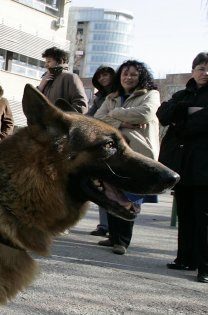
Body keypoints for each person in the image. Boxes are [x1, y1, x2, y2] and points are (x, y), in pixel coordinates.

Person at [93, 59, 160, 255]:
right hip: (114, 152)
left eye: (133, 75)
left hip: (137, 152)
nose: (128, 78)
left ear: (140, 77)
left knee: (130, 196)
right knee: (113, 193)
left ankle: (123, 240)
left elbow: (145, 114)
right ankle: (113, 236)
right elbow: (98, 117)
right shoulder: (112, 96)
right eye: (125, 74)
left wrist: (115, 114)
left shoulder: (151, 94)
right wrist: (122, 122)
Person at [157, 51, 208, 283]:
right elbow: (163, 114)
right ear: (193, 70)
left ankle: (204, 265)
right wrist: (182, 112)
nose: (205, 73)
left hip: (204, 167)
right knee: (186, 214)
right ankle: (185, 258)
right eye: (201, 68)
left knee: (203, 218)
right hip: (183, 166)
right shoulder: (182, 94)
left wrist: (182, 118)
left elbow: (198, 124)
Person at [87, 66, 116, 237]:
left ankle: (116, 229)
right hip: (100, 143)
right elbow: (93, 116)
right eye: (100, 75)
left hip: (116, 144)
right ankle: (105, 225)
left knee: (115, 187)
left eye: (106, 74)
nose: (104, 78)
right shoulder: (99, 96)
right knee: (102, 185)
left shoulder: (118, 94)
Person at [37, 47, 88, 113]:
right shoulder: (46, 80)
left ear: (60, 61)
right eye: (45, 62)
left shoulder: (70, 77)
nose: (46, 65)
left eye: (49, 61)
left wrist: (63, 119)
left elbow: (81, 104)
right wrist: (41, 86)